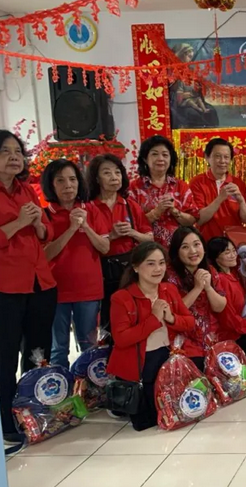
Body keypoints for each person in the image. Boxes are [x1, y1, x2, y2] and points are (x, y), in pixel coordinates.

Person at [0, 130, 57, 446]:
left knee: (39, 351)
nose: (13, 157)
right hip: (6, 287)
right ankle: (7, 419)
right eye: (5, 151)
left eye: (17, 151)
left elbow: (46, 233)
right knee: (6, 355)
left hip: (40, 282)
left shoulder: (26, 190)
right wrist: (20, 223)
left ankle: (34, 409)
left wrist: (36, 224)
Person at [107, 241, 196, 431]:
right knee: (148, 422)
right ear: (136, 267)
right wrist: (154, 319)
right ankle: (120, 407)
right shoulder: (121, 298)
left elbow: (189, 322)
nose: (158, 269)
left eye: (161, 263)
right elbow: (121, 338)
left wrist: (171, 318)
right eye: (151, 263)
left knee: (182, 413)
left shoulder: (169, 289)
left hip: (168, 356)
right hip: (140, 364)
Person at [41, 159, 110, 368]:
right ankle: (61, 386)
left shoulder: (91, 210)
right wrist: (71, 228)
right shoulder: (46, 214)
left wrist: (86, 226)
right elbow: (44, 255)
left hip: (88, 290)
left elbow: (105, 247)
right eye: (60, 181)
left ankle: (87, 386)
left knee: (89, 346)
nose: (68, 185)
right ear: (51, 185)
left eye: (72, 179)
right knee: (58, 348)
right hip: (56, 290)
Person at [88, 154, 153, 335]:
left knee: (132, 318)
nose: (114, 177)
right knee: (107, 323)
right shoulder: (89, 207)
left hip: (128, 270)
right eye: (107, 173)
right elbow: (87, 244)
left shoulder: (130, 205)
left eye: (117, 172)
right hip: (100, 273)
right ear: (96, 178)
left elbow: (149, 238)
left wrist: (132, 232)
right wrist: (112, 236)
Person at [165, 227, 226, 370]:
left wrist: (208, 287)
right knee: (198, 370)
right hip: (184, 339)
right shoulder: (169, 274)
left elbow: (219, 307)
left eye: (197, 244)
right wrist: (197, 288)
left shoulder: (210, 270)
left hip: (211, 336)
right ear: (176, 252)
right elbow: (174, 311)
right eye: (185, 247)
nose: (193, 251)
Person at [130, 135, 197, 247]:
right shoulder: (134, 188)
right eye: (155, 154)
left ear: (170, 159)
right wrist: (156, 212)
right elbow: (132, 224)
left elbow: (192, 220)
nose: (160, 158)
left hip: (178, 248)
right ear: (145, 159)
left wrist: (174, 211)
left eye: (165, 155)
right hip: (146, 249)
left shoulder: (181, 186)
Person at [190, 138, 246, 241]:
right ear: (207, 157)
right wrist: (220, 198)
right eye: (217, 156)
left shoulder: (238, 183)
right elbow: (199, 220)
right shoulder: (197, 182)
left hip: (234, 242)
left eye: (226, 157)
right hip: (208, 242)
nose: (222, 161)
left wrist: (241, 200)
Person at [169, 43, 219, 129]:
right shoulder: (171, 71)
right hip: (180, 105)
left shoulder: (191, 70)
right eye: (187, 53)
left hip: (194, 99)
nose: (190, 56)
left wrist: (198, 88)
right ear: (180, 55)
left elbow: (197, 89)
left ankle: (212, 132)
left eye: (191, 53)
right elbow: (169, 92)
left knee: (211, 111)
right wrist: (181, 96)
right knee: (193, 114)